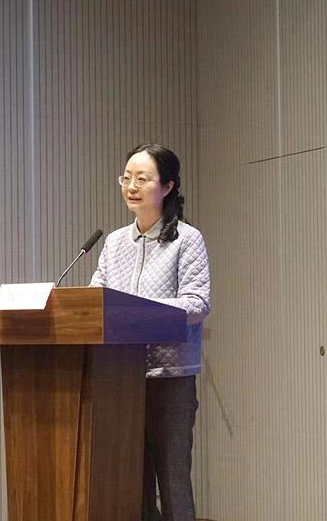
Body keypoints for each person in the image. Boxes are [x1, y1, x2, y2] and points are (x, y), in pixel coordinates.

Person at [90, 143, 211, 521]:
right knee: (130, 483)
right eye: (127, 178)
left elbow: (197, 303)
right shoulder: (113, 243)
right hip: (120, 377)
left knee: (173, 483)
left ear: (168, 186)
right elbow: (95, 300)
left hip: (170, 378)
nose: (131, 186)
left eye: (142, 179)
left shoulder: (187, 239)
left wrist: (141, 311)